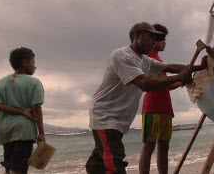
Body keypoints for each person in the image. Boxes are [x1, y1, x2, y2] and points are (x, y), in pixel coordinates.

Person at [86, 22, 207, 174]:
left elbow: (170, 67)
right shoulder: (121, 55)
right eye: (150, 37)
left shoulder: (145, 60)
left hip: (117, 119)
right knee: (114, 163)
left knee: (101, 158)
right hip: (105, 116)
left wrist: (198, 67)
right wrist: (180, 77)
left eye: (155, 38)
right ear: (137, 35)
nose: (153, 42)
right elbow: (145, 83)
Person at [0, 47, 45, 174]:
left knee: (10, 167)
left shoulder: (1, 83)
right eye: (33, 63)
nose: (34, 67)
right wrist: (41, 132)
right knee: (19, 169)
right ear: (25, 62)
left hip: (5, 132)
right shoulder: (34, 83)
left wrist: (20, 111)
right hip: (23, 131)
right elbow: (37, 109)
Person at [139, 24, 182, 174]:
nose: (164, 41)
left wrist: (182, 81)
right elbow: (155, 83)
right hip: (152, 107)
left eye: (165, 38)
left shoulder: (158, 60)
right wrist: (181, 76)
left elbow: (166, 86)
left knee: (164, 146)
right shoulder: (148, 58)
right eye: (161, 38)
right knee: (149, 146)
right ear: (152, 39)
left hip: (166, 109)